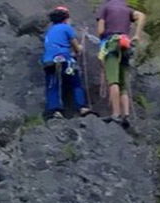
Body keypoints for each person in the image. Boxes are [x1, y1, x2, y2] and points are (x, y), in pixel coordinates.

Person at [95, 0, 147, 129]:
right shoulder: (126, 9)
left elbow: (101, 30)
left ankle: (116, 114)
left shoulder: (105, 7)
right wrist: (137, 35)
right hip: (125, 44)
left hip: (111, 44)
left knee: (113, 80)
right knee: (123, 82)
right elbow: (142, 15)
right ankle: (126, 115)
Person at [41, 7, 93, 119]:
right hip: (65, 59)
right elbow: (77, 48)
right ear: (65, 19)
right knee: (76, 83)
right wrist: (81, 47)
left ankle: (55, 110)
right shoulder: (67, 28)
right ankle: (81, 107)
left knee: (53, 85)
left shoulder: (49, 31)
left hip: (49, 60)